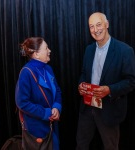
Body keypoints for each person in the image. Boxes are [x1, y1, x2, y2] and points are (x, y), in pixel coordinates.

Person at [76, 12, 135, 150]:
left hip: (109, 109)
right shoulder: (89, 50)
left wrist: (110, 89)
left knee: (110, 147)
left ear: (107, 24)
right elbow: (84, 74)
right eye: (91, 26)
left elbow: (131, 81)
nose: (95, 30)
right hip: (87, 108)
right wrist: (81, 84)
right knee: (81, 145)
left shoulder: (125, 50)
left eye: (98, 24)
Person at [15, 37, 62, 150]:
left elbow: (58, 90)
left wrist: (56, 107)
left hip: (52, 126)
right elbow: (22, 103)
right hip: (36, 129)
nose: (49, 50)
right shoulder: (26, 73)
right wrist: (46, 113)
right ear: (36, 54)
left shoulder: (48, 69)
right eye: (46, 48)